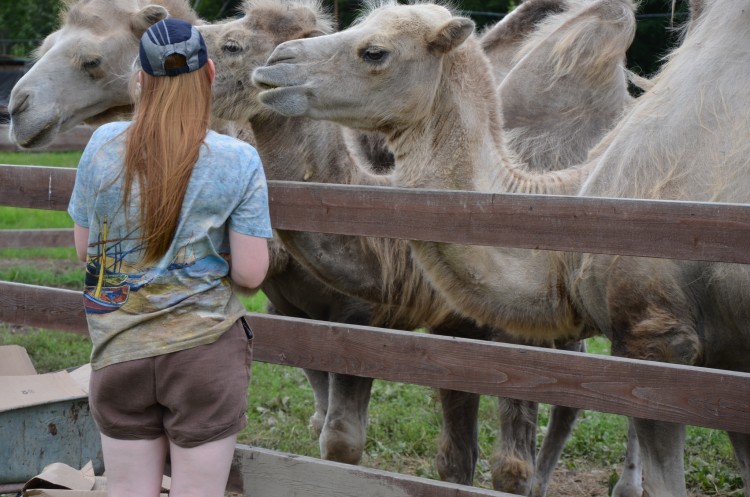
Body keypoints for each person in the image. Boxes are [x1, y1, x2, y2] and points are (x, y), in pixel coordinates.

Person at [67, 18, 272, 497]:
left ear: (140, 79)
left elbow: (85, 249)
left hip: (119, 352)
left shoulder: (100, 146)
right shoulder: (238, 160)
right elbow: (251, 272)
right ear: (211, 74)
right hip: (203, 356)